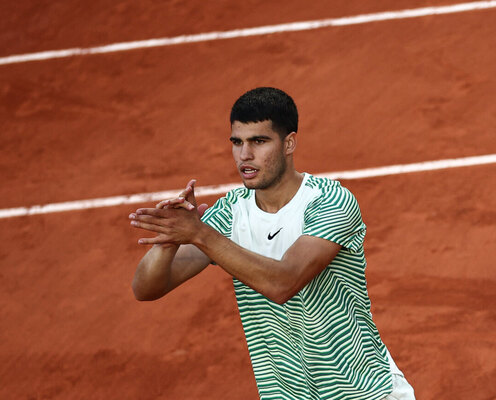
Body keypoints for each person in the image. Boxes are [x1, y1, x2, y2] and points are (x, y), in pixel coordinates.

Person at [129, 87, 415, 400]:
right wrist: (170, 239)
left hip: (364, 392)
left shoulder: (330, 202)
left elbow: (283, 282)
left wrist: (199, 233)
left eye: (259, 141)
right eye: (237, 142)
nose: (244, 156)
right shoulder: (231, 213)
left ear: (289, 143)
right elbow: (146, 289)